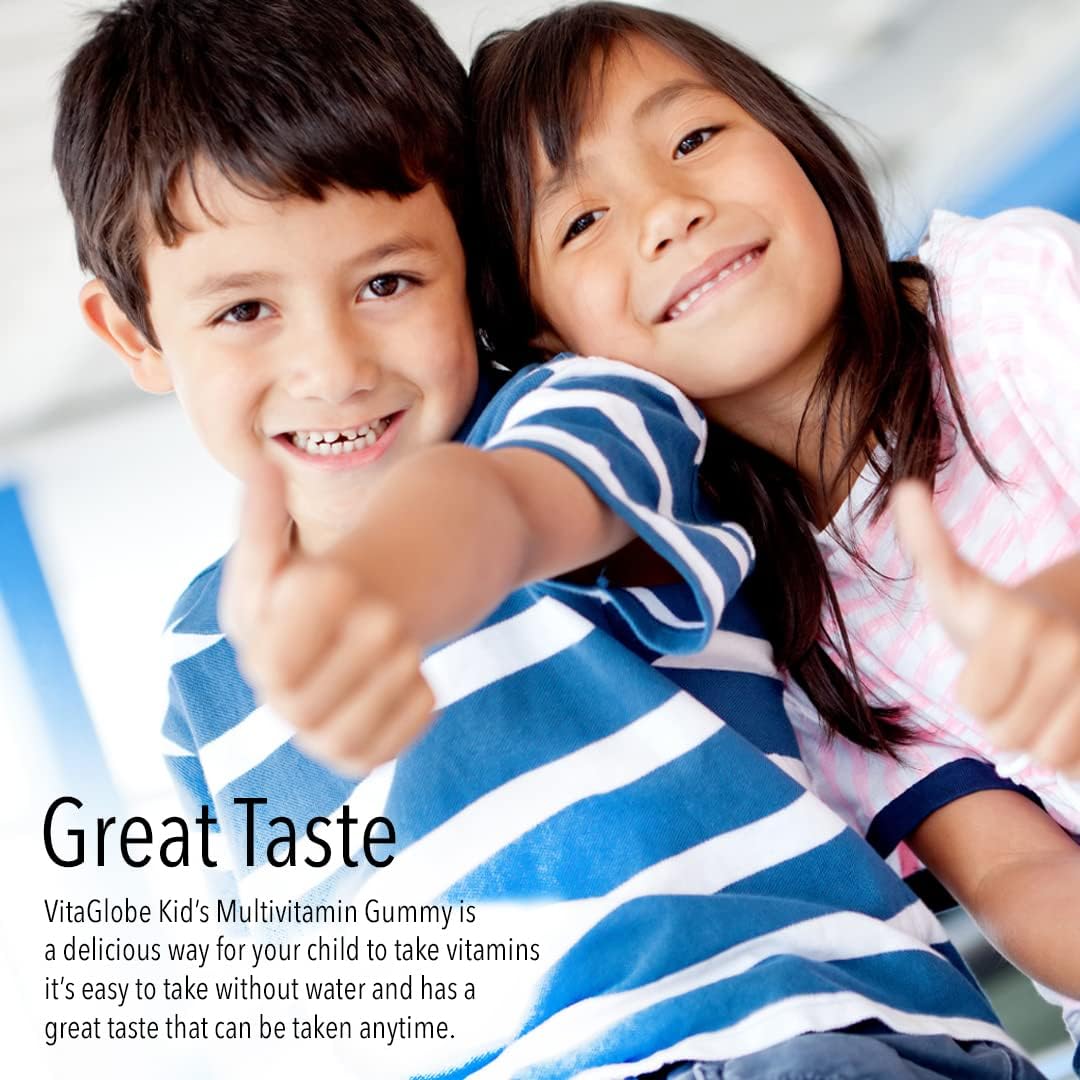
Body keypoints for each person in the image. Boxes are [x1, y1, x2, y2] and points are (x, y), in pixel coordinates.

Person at [54, 1, 1049, 1077]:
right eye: (245, 310)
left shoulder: (580, 412)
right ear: (133, 333)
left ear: (473, 272)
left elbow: (508, 510)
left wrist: (382, 590)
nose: (333, 366)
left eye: (388, 282)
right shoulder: (200, 669)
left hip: (784, 1038)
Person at [464, 0, 1080, 1054]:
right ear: (549, 340)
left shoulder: (1011, 297)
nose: (668, 210)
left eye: (695, 138)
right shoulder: (782, 635)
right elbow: (1018, 871)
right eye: (581, 220)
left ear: (791, 136)